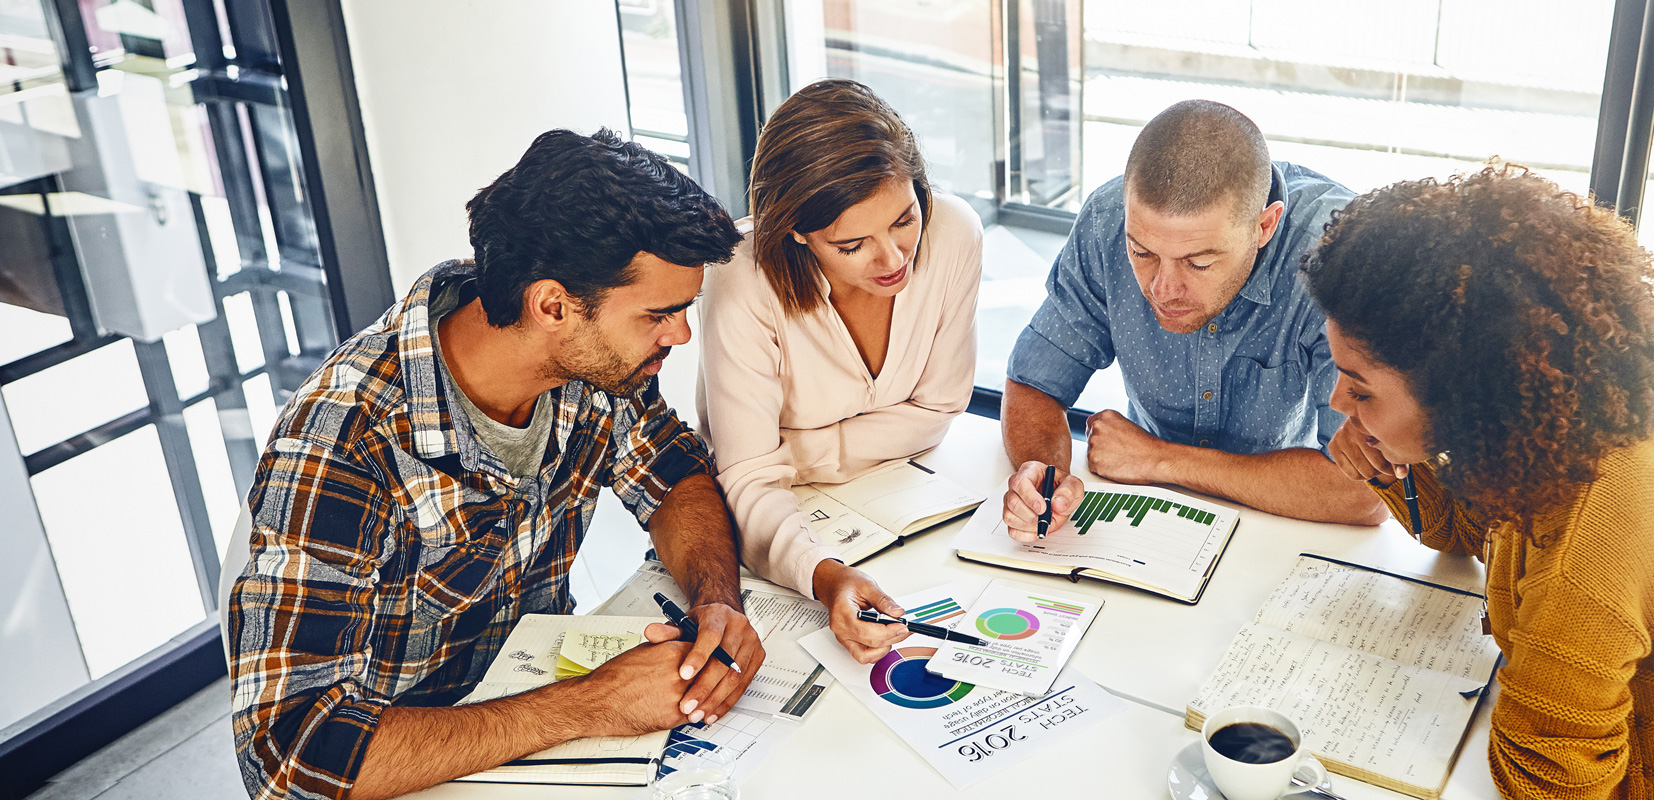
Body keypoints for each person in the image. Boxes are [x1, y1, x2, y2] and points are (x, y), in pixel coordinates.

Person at [228, 129, 768, 800]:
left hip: (537, 715)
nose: (680, 335)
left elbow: (671, 473)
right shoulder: (342, 444)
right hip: (403, 768)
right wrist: (589, 704)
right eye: (660, 314)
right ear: (552, 306)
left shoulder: (594, 362)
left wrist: (716, 601)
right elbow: (289, 754)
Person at [1304, 164, 1654, 799]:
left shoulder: (1591, 546)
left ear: (1463, 395)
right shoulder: (1578, 438)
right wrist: (1397, 455)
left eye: (1360, 386)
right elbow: (1465, 532)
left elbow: (1550, 790)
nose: (1337, 401)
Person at [998, 100, 1387, 541]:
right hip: (1148, 513)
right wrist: (1045, 479)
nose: (1162, 290)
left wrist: (1159, 459)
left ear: (1265, 226)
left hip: (1285, 523)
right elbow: (1035, 382)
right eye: (1142, 253)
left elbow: (1366, 493)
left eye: (1198, 262)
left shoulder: (1342, 257)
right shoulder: (1108, 220)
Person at [698, 79, 980, 664]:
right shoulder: (741, 279)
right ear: (796, 233)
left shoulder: (953, 232)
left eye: (905, 219)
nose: (894, 259)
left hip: (910, 510)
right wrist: (824, 574)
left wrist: (790, 453)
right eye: (853, 244)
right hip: (781, 542)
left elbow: (940, 410)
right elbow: (747, 484)